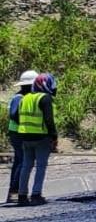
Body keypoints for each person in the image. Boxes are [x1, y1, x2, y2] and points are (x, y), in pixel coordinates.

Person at [15, 73, 57, 206]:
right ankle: (36, 195)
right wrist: (54, 137)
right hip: (41, 137)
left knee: (26, 166)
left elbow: (16, 116)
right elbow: (49, 119)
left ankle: (21, 196)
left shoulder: (25, 98)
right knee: (40, 166)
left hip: (25, 137)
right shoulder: (45, 98)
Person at [7, 70, 38, 204]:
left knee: (19, 161)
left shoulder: (21, 97)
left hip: (17, 132)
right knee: (23, 161)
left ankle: (13, 192)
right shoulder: (19, 98)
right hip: (19, 133)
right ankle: (15, 191)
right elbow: (14, 115)